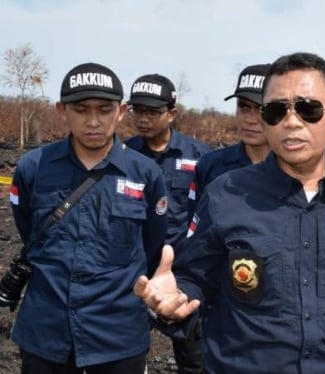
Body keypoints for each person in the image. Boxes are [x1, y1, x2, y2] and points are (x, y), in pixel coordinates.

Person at [134, 52, 325, 373]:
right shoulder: (225, 195)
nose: (292, 122)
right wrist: (176, 300)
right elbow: (194, 278)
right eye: (277, 111)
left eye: (308, 109)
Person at [9, 62, 167, 373]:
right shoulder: (33, 167)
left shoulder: (145, 173)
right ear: (61, 110)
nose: (93, 121)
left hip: (117, 335)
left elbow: (151, 245)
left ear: (121, 111)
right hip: (47, 333)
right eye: (81, 110)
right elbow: (29, 230)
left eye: (104, 109)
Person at [124, 73, 210, 374]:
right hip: (135, 270)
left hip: (184, 271)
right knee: (128, 351)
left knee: (193, 356)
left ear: (172, 113)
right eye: (138, 111)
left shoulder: (199, 157)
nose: (143, 118)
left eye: (152, 111)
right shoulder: (124, 155)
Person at [188, 63, 270, 216]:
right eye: (244, 106)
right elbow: (196, 230)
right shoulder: (210, 166)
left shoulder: (296, 169)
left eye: (261, 109)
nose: (250, 119)